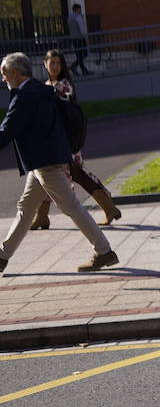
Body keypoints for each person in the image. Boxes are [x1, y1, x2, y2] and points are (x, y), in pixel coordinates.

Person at [0, 52, 118, 274]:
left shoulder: (24, 96)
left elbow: (6, 131)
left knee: (71, 207)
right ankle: (3, 255)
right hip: (46, 159)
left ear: (15, 73)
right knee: (26, 208)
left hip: (46, 162)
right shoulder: (39, 89)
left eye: (4, 74)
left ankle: (104, 252)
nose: (3, 79)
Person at [29, 49, 121, 229]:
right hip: (53, 142)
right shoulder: (47, 85)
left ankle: (109, 208)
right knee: (51, 177)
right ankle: (42, 217)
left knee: (71, 174)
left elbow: (53, 106)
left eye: (58, 63)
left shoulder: (62, 85)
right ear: (44, 64)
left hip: (65, 141)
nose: (55, 66)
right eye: (52, 62)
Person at [66, 5, 89, 75]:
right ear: (77, 9)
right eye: (79, 9)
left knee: (78, 54)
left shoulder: (69, 18)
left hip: (73, 38)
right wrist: (86, 37)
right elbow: (82, 29)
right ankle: (74, 66)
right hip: (80, 38)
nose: (80, 11)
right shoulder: (78, 17)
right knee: (84, 53)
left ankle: (84, 70)